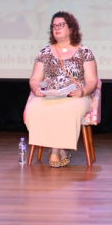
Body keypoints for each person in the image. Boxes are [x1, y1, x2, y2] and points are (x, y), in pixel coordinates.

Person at [25, 11, 98, 167]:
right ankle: (61, 150)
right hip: (49, 95)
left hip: (75, 96)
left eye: (60, 25)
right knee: (34, 109)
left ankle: (54, 151)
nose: (56, 28)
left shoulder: (84, 52)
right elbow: (34, 79)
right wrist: (37, 89)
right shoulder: (44, 52)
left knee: (64, 109)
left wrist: (83, 92)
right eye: (54, 26)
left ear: (71, 28)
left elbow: (92, 80)